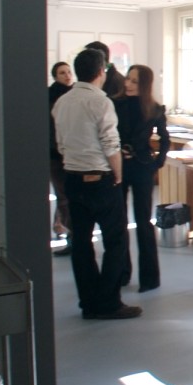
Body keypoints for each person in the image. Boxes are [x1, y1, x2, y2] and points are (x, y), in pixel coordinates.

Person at [52, 48, 141, 320]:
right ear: (101, 72)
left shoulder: (62, 102)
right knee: (115, 241)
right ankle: (109, 302)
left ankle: (89, 303)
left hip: (73, 178)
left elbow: (60, 143)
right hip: (100, 180)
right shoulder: (101, 102)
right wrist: (118, 174)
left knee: (81, 242)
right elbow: (110, 144)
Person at [114, 65, 170, 292]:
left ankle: (149, 278)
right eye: (128, 79)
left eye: (134, 81)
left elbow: (165, 140)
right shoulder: (114, 104)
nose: (128, 84)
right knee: (118, 221)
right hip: (118, 167)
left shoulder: (154, 109)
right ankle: (122, 273)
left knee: (143, 222)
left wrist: (157, 163)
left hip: (142, 167)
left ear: (144, 84)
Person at [49, 61, 74, 256]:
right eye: (62, 73)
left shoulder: (74, 95)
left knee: (67, 196)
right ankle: (70, 235)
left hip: (71, 154)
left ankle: (64, 228)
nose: (67, 76)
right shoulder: (50, 96)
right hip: (56, 155)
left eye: (68, 72)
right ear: (55, 76)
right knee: (64, 196)